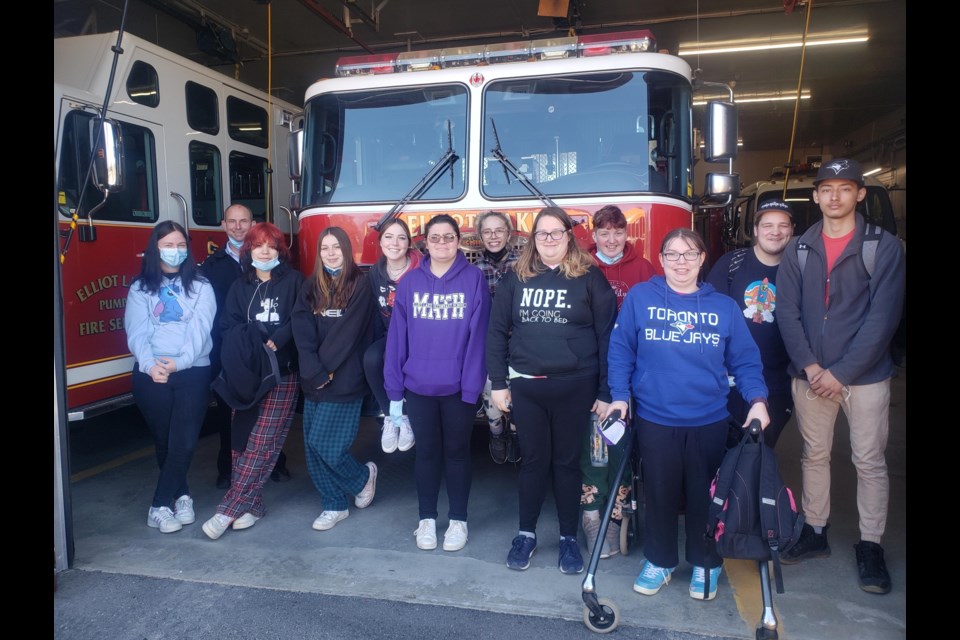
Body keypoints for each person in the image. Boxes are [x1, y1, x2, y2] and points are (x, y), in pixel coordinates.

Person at [605, 227, 770, 601]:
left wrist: (757, 399)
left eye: (689, 254)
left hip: (708, 419)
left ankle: (705, 562)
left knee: (705, 496)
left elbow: (745, 361)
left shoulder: (723, 307)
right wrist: (619, 396)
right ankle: (660, 561)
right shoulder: (641, 298)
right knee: (660, 493)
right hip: (655, 417)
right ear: (661, 260)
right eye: (673, 255)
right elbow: (620, 351)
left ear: (701, 260)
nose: (681, 262)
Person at [775, 158, 905, 595]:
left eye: (844, 188)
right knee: (815, 456)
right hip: (810, 375)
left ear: (860, 194)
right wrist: (813, 368)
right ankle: (815, 530)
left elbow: (883, 319)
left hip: (865, 378)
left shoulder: (882, 246)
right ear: (815, 197)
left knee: (868, 461)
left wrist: (842, 372)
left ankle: (870, 545)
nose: (834, 197)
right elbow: (786, 313)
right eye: (826, 189)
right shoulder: (799, 248)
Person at [487, 207, 617, 575]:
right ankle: (525, 535)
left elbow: (608, 337)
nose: (548, 240)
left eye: (555, 233)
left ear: (568, 235)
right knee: (532, 462)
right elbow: (496, 332)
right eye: (541, 234)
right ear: (533, 239)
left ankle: (567, 539)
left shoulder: (590, 278)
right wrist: (498, 383)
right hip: (527, 387)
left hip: (576, 386)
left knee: (565, 463)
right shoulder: (516, 278)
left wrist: (606, 390)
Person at [385, 215, 490, 552]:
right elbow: (397, 340)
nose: (442, 243)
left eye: (448, 237)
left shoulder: (474, 279)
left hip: (459, 389)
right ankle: (426, 519)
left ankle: (458, 520)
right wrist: (395, 390)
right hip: (418, 387)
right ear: (425, 243)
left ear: (458, 241)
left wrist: (472, 387)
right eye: (435, 238)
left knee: (457, 455)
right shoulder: (410, 283)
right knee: (426, 455)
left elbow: (479, 340)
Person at [201, 223, 305, 539]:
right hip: (245, 375)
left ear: (280, 251)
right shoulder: (239, 285)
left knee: (262, 443)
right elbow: (227, 325)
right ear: (249, 250)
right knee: (241, 443)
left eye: (271, 246)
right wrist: (253, 339)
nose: (264, 251)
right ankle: (253, 505)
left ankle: (228, 509)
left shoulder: (295, 282)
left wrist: (277, 338)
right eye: (258, 245)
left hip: (282, 372)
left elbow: (300, 318)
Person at [125, 221, 216, 534]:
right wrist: (151, 366)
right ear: (156, 248)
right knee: (165, 440)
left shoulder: (201, 286)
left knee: (185, 440)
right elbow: (137, 332)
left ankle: (158, 505)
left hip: (193, 371)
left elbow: (200, 331)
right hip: (151, 374)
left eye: (180, 245)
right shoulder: (140, 288)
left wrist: (179, 363)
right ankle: (182, 494)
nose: (175, 250)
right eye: (168, 244)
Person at [580, 205, 656, 559]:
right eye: (604, 232)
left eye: (618, 232)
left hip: (631, 368)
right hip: (590, 368)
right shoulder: (579, 266)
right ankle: (591, 510)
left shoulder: (644, 269)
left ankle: (617, 508)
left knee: (621, 438)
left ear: (628, 234)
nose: (611, 239)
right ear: (593, 235)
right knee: (593, 440)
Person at [292, 227, 378, 532]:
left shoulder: (360, 284)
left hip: (344, 378)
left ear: (346, 250)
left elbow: (348, 334)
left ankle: (362, 478)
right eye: (324, 248)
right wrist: (312, 369)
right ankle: (334, 504)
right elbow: (301, 329)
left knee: (326, 445)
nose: (330, 253)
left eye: (336, 248)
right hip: (313, 377)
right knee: (312, 448)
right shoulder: (310, 285)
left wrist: (322, 370)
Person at [201, 204, 290, 487]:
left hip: (273, 355)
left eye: (243, 221)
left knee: (270, 416)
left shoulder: (286, 273)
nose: (238, 226)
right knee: (232, 412)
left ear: (252, 223)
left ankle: (274, 464)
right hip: (233, 352)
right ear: (224, 225)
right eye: (232, 221)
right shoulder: (212, 265)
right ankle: (229, 470)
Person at [706, 199, 795, 448]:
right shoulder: (731, 264)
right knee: (724, 450)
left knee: (760, 452)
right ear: (755, 230)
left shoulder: (800, 268)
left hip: (777, 382)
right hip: (730, 380)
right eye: (767, 225)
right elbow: (710, 317)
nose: (775, 231)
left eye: (782, 225)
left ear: (791, 230)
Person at [363, 219, 421, 454]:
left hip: (420, 337)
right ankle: (391, 416)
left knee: (391, 356)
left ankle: (405, 415)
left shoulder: (422, 269)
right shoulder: (375, 273)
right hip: (390, 334)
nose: (394, 243)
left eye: (401, 237)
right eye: (388, 237)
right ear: (380, 242)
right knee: (371, 358)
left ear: (409, 243)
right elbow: (375, 313)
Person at [474, 211, 522, 465]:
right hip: (488, 338)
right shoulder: (473, 269)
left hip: (520, 337)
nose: (493, 237)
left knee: (520, 386)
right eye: (487, 232)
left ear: (508, 233)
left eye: (499, 231)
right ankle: (496, 432)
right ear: (480, 236)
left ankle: (515, 431)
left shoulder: (524, 263)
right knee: (489, 386)